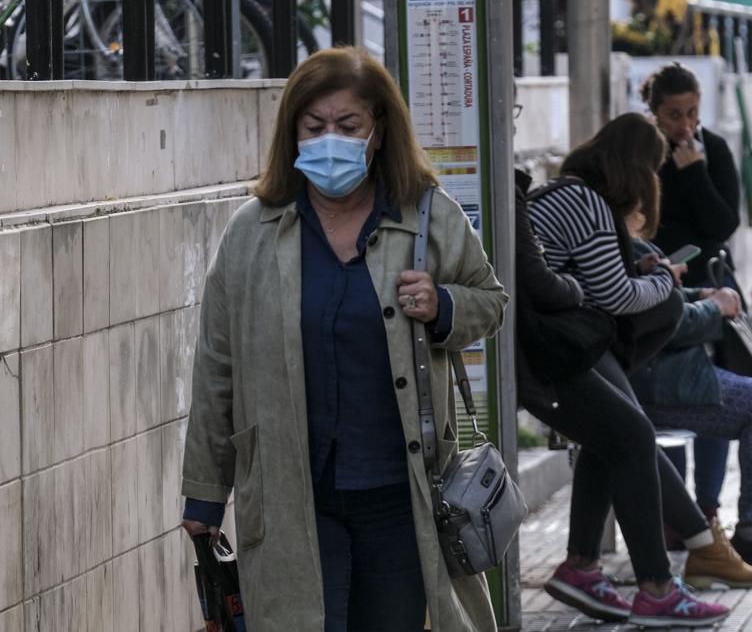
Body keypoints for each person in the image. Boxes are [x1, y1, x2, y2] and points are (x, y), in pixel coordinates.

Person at [179, 47, 509, 632]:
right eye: (314, 127)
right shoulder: (252, 233)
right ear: (293, 134)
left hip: (399, 494)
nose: (330, 139)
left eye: (348, 126)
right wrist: (205, 493)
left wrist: (443, 305)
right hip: (289, 494)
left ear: (378, 132)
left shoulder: (429, 219)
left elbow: (491, 303)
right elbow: (217, 367)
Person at [524, 114, 752, 628]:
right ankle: (657, 588)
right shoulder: (587, 203)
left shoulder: (563, 193)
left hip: (546, 346)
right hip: (550, 351)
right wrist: (661, 279)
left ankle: (583, 567)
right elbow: (613, 296)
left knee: (610, 438)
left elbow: (590, 283)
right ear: (636, 168)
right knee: (634, 435)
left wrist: (646, 276)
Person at [624, 224, 752, 571]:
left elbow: (659, 305)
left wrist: (698, 295)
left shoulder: (620, 241)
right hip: (653, 383)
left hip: (656, 377)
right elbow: (657, 320)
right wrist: (713, 309)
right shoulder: (618, 243)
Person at [638, 62, 740, 542]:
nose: (685, 126)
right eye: (674, 115)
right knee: (669, 401)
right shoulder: (642, 156)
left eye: (692, 113)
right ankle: (672, 512)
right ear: (654, 113)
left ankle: (708, 507)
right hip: (658, 292)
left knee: (715, 398)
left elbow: (723, 225)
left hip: (711, 291)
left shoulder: (712, 149)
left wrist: (696, 172)